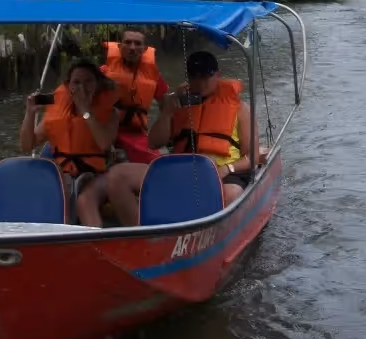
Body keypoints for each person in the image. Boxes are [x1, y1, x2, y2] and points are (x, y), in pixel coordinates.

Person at [101, 51, 258, 226]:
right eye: (194, 76)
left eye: (206, 76)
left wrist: (227, 169)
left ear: (218, 75)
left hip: (222, 172)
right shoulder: (177, 105)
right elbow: (153, 143)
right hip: (180, 172)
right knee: (117, 176)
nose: (200, 82)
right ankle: (141, 233)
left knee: (231, 194)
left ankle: (215, 236)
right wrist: (167, 114)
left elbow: (253, 157)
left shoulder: (240, 108)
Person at [20, 59, 123, 220]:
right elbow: (27, 145)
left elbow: (103, 143)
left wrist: (85, 110)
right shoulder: (57, 114)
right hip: (64, 174)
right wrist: (30, 113)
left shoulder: (111, 113)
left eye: (88, 81)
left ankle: (94, 235)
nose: (82, 87)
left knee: (85, 201)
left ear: (98, 83)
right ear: (69, 86)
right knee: (54, 193)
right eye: (76, 82)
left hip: (96, 175)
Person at [101, 29, 169, 164]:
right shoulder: (102, 73)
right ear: (119, 46)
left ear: (145, 49)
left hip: (135, 133)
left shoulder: (154, 76)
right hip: (104, 129)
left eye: (137, 43)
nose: (132, 48)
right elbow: (88, 107)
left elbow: (166, 106)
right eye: (127, 42)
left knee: (157, 163)